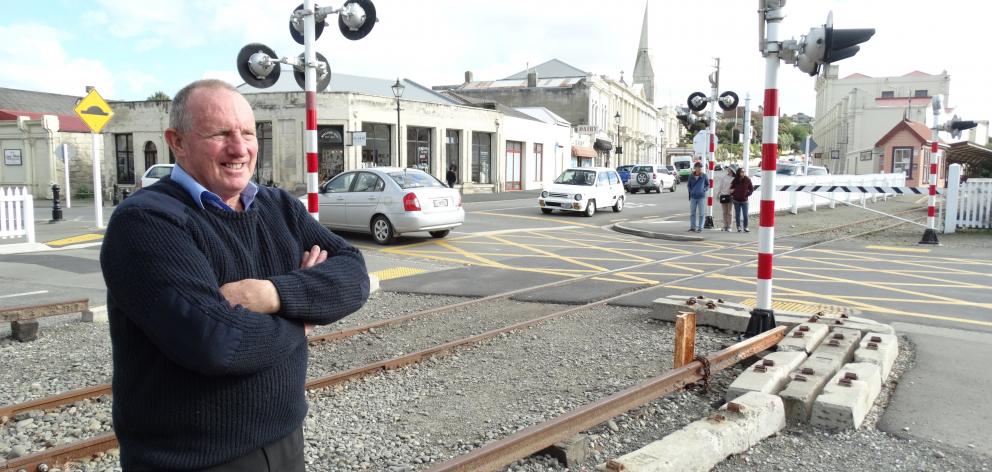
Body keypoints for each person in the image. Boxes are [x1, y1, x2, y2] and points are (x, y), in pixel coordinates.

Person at [100, 79, 370, 471]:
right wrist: (305, 317)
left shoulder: (278, 206)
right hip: (192, 461)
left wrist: (272, 294)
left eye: (247, 132)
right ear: (177, 141)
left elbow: (354, 274)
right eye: (220, 133)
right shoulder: (147, 221)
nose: (239, 148)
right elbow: (215, 342)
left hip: (285, 440)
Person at [687, 162, 709, 232]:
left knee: (701, 213)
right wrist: (691, 191)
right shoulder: (691, 176)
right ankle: (693, 227)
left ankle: (700, 228)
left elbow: (707, 185)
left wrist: (704, 190)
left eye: (700, 167)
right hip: (693, 197)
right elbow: (688, 185)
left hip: (701, 197)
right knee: (692, 213)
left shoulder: (704, 176)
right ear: (695, 168)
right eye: (698, 167)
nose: (699, 169)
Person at [731, 167, 754, 233]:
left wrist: (747, 194)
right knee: (737, 214)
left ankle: (746, 227)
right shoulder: (735, 180)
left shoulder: (747, 179)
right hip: (736, 200)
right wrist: (733, 194)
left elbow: (751, 189)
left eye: (744, 172)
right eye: (742, 172)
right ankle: (739, 227)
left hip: (744, 201)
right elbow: (731, 188)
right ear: (739, 172)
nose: (743, 173)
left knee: (745, 214)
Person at [717, 167, 734, 231]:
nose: (728, 170)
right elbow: (720, 186)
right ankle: (725, 225)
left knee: (729, 212)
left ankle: (729, 226)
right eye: (728, 169)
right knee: (724, 212)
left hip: (730, 196)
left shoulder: (734, 178)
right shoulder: (724, 177)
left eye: (729, 169)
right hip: (723, 195)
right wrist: (718, 194)